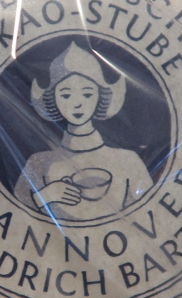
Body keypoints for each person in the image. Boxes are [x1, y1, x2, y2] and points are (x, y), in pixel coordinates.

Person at [13, 43, 153, 221]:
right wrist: (43, 197)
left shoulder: (128, 161)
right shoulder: (38, 164)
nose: (77, 103)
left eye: (87, 94)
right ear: (53, 100)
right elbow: (12, 216)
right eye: (66, 95)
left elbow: (152, 216)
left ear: (101, 97)